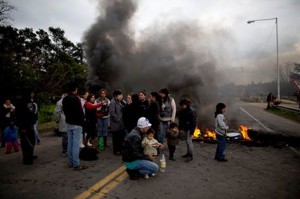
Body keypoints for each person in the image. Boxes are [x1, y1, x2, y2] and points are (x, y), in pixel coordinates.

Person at [62, 83, 87, 170]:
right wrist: (83, 120)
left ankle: (70, 162)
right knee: (76, 144)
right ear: (74, 90)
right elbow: (80, 112)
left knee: (70, 143)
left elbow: (64, 111)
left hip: (69, 123)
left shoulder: (64, 99)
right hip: (77, 123)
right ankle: (76, 164)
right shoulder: (76, 98)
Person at [15, 87, 37, 165]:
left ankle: (28, 156)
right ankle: (28, 158)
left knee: (28, 142)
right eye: (31, 93)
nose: (32, 94)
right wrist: (23, 127)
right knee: (28, 142)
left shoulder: (22, 102)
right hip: (26, 126)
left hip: (26, 126)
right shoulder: (26, 103)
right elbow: (25, 115)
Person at [109, 89, 126, 155]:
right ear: (115, 96)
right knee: (116, 138)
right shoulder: (113, 102)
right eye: (119, 95)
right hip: (116, 124)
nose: (121, 96)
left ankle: (120, 149)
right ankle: (116, 151)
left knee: (120, 137)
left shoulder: (121, 102)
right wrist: (118, 119)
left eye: (121, 95)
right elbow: (112, 113)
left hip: (121, 123)